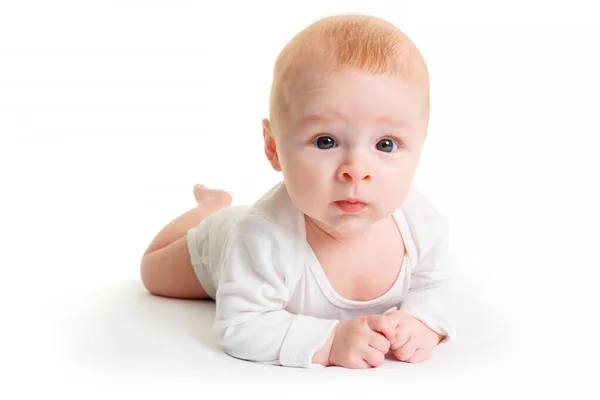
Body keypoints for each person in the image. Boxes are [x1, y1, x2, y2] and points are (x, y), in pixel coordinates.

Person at [140, 13, 458, 369]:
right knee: (152, 273)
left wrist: (423, 322)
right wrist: (330, 341)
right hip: (220, 244)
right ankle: (209, 210)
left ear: (420, 145)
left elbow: (437, 286)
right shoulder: (264, 237)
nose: (356, 169)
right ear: (274, 147)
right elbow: (241, 325)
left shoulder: (419, 222)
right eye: (326, 141)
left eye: (385, 144)